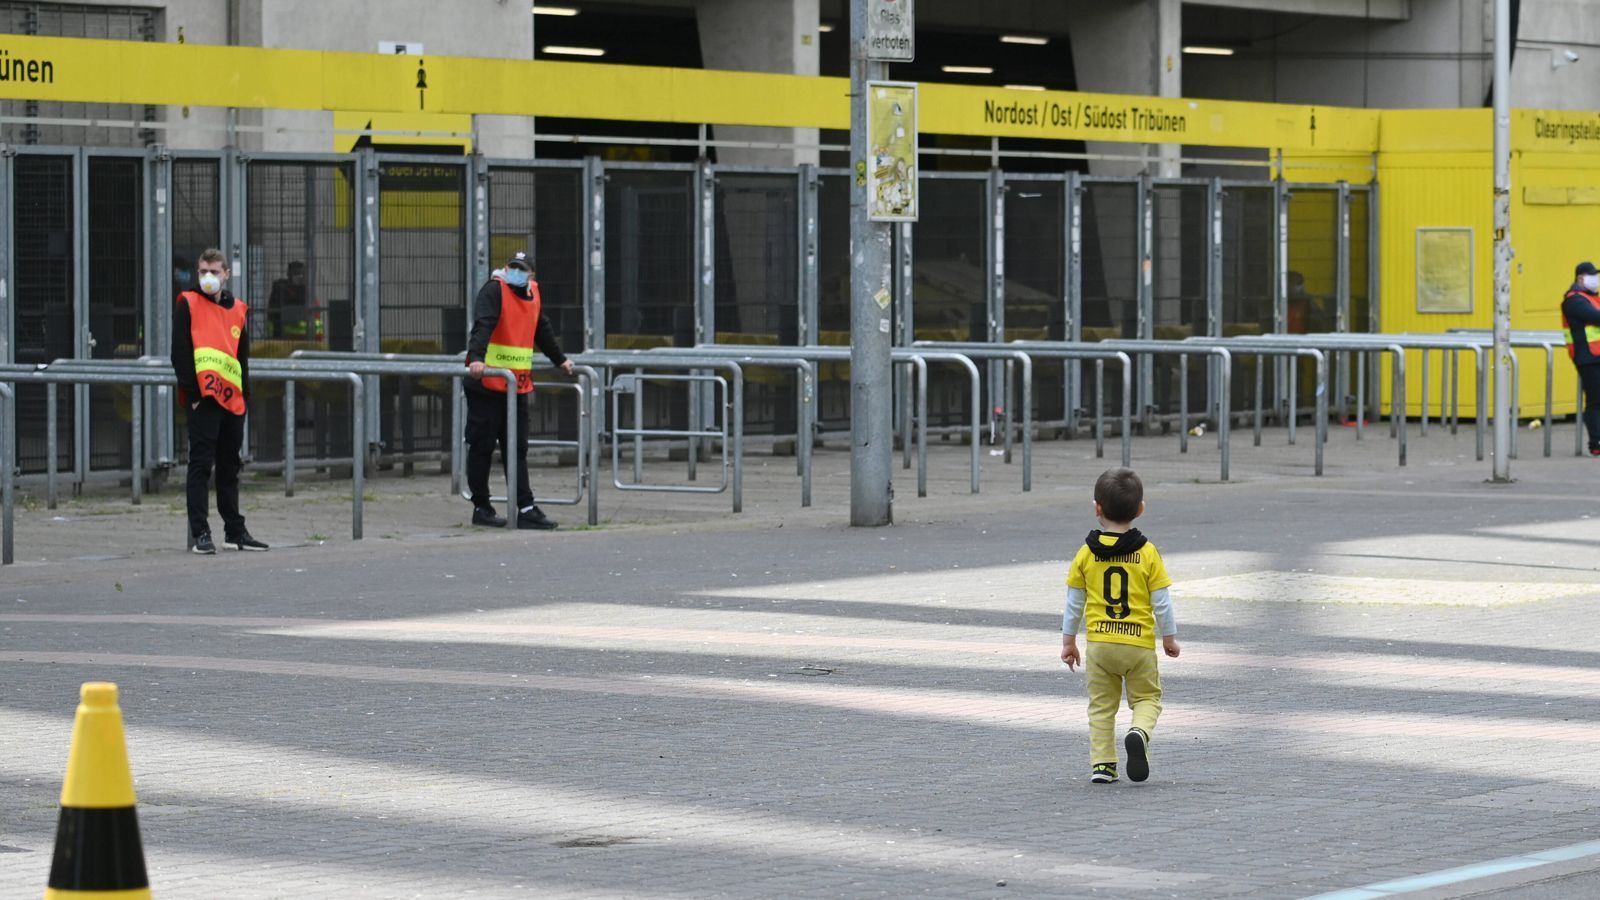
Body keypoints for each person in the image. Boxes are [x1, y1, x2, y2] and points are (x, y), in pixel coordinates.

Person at [1060, 467, 1179, 784]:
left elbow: (1074, 602)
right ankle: (1139, 731)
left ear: (1097, 507)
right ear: (1140, 509)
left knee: (1101, 707)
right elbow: (1162, 602)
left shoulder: (1086, 553)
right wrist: (1169, 638)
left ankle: (1102, 765)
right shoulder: (1147, 552)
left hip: (1100, 646)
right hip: (1138, 645)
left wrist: (1068, 641)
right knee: (1147, 699)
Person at [464, 250, 574, 529]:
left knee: (517, 448)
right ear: (506, 267)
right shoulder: (494, 290)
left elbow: (542, 330)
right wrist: (476, 359)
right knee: (482, 446)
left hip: (516, 386)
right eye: (512, 267)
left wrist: (560, 359)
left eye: (521, 268)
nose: (516, 272)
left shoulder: (533, 294)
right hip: (487, 382)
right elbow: (483, 325)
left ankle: (525, 507)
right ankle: (481, 506)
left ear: (531, 274)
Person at [171, 248, 268, 555]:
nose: (208, 278)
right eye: (202, 272)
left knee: (230, 466)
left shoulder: (238, 308)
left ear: (226, 273)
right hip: (204, 399)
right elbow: (181, 354)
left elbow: (242, 357)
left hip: (232, 400)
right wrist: (195, 395)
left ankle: (235, 531)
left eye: (214, 271)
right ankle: (201, 533)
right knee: (200, 466)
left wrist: (245, 396)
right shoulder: (188, 303)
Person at [1562, 260, 1600, 457]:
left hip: (1597, 355)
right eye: (1592, 275)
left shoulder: (1591, 297)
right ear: (1580, 278)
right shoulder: (1574, 300)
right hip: (1587, 357)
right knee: (1595, 401)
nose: (1596, 279)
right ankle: (1596, 442)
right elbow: (1596, 317)